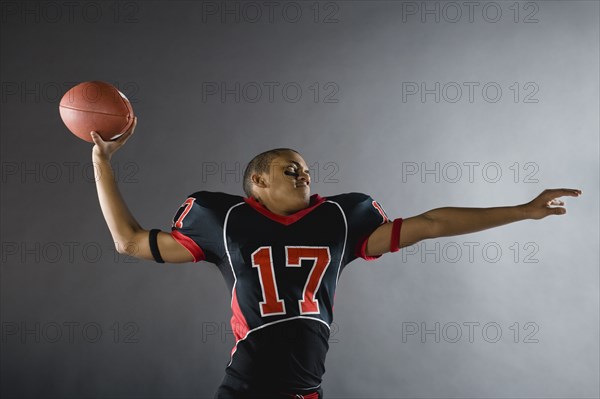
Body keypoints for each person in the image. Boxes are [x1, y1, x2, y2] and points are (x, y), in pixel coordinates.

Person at [90, 118, 582, 398]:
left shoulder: (342, 220)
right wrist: (102, 163)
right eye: (289, 169)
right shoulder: (227, 221)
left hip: (307, 390)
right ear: (258, 182)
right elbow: (130, 242)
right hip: (247, 390)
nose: (303, 175)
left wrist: (521, 210)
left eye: (305, 169)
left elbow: (433, 224)